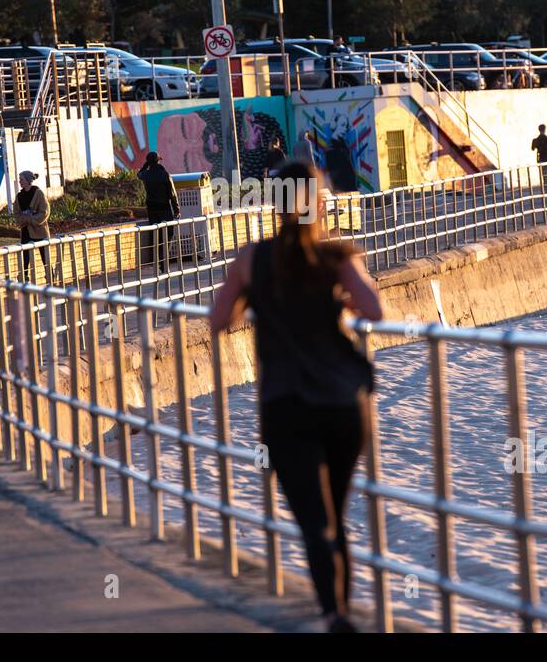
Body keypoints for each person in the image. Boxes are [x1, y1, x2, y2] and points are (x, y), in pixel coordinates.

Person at [209, 161, 382, 632]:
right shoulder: (337, 256)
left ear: (276, 205)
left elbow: (219, 319)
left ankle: (334, 613)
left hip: (286, 406)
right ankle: (340, 607)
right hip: (343, 404)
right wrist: (341, 303)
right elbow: (373, 307)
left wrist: (253, 300)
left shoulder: (252, 259)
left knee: (313, 517)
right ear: (319, 203)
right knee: (336, 513)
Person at [137, 152, 180, 272]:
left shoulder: (146, 174)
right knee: (168, 235)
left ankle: (160, 261)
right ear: (158, 161)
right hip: (164, 208)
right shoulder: (164, 174)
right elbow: (172, 194)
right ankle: (164, 262)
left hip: (152, 209)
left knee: (157, 237)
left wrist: (146, 165)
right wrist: (177, 210)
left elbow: (138, 174)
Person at [13, 170, 50, 281]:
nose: (20, 182)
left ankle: (49, 275)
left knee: (45, 256)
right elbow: (16, 213)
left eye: (22, 179)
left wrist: (31, 219)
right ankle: (24, 276)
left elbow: (45, 212)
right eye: (20, 179)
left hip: (39, 231)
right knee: (25, 256)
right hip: (26, 231)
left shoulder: (38, 193)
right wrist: (22, 220)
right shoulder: (19, 196)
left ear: (28, 181)